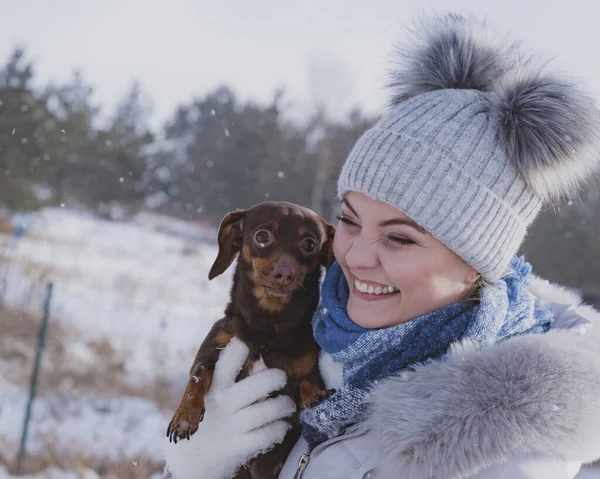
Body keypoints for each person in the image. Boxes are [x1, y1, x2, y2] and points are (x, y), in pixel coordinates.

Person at [163, 13, 600, 479]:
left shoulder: (506, 457)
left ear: (478, 264)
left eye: (399, 237)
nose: (354, 256)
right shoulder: (323, 337)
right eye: (349, 221)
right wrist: (195, 470)